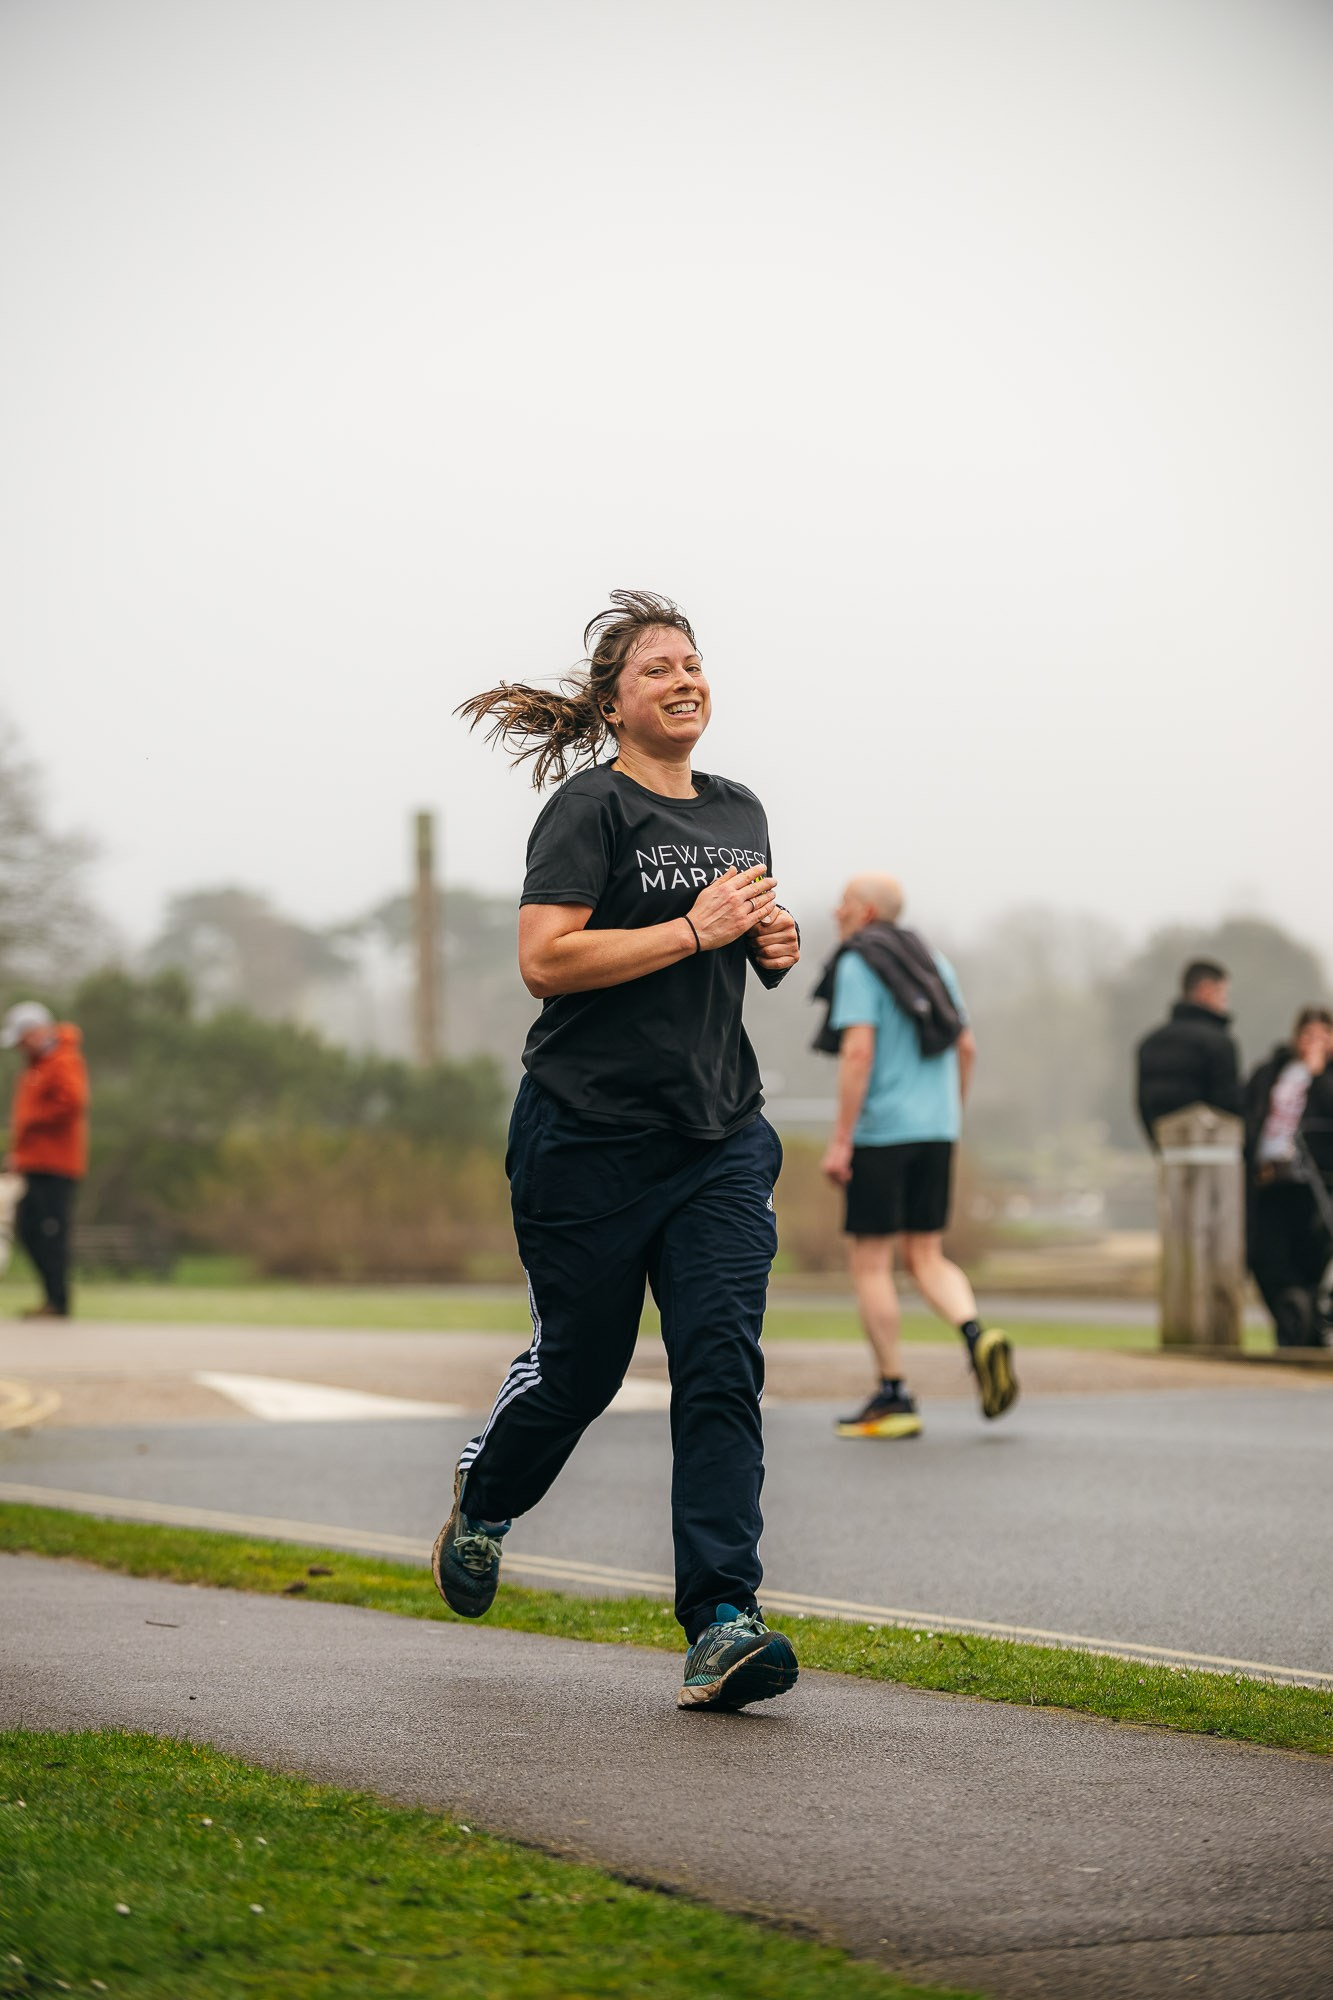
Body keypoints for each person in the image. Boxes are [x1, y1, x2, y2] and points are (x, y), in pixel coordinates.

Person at [433, 589, 802, 1713]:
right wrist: (693, 929)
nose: (683, 680)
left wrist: (770, 945)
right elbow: (545, 961)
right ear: (611, 703)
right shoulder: (588, 808)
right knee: (580, 1372)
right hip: (585, 1138)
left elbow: (733, 950)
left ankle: (722, 1621)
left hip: (718, 1136)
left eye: (692, 664)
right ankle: (486, 1500)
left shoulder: (739, 808)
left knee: (720, 1364)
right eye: (656, 669)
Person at [814, 875, 1017, 1438]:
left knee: (871, 1262)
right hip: (937, 1129)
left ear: (867, 912)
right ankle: (976, 1334)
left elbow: (858, 1052)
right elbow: (966, 1046)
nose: (835, 912)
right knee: (927, 1254)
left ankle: (893, 1393)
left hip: (882, 1133)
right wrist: (949, 1115)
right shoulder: (933, 961)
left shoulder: (860, 962)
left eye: (844, 903)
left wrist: (841, 1139)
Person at [1244, 1007, 1333, 1348]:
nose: (1314, 1043)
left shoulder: (1326, 1076)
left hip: (1314, 1184)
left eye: (1323, 1036)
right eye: (1308, 1035)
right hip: (1269, 1180)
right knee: (1266, 1257)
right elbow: (1252, 1112)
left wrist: (1318, 1075)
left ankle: (1305, 1327)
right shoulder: (1272, 1071)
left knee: (1310, 1258)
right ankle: (1293, 1319)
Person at [2, 1001, 90, 1320]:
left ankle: (58, 1302)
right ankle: (51, 1299)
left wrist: (32, 1121)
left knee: (51, 1232)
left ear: (35, 1032)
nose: (19, 1047)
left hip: (56, 1165)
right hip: (34, 1162)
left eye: (22, 1039)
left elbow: (73, 1103)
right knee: (28, 1230)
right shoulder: (35, 1067)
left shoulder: (62, 1060)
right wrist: (20, 1152)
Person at [1136, 960, 1242, 1144]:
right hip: (1213, 1149)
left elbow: (1143, 1105)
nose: (1225, 1004)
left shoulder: (1149, 1043)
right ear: (1206, 990)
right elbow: (1228, 1108)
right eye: (1223, 995)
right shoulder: (1219, 1043)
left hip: (1166, 1148)